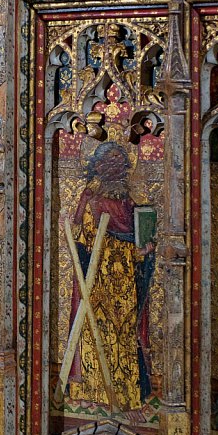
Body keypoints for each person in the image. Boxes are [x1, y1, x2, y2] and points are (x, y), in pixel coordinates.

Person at [65, 141, 154, 412]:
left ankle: (125, 393)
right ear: (97, 167)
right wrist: (73, 223)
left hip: (125, 280)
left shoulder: (130, 203)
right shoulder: (89, 198)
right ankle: (91, 391)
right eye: (107, 163)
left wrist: (146, 250)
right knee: (94, 329)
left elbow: (140, 239)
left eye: (118, 163)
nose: (113, 168)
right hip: (97, 278)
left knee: (124, 332)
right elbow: (78, 238)